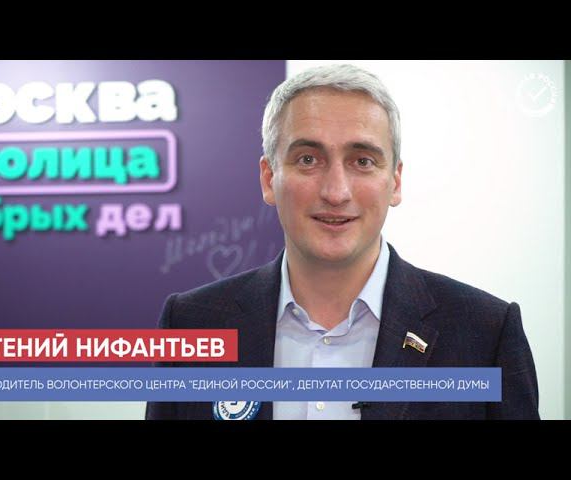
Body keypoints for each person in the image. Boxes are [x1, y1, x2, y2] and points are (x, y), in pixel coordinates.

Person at [145, 64, 539, 420]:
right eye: (308, 159)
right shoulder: (190, 324)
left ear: (395, 182)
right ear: (269, 179)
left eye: (362, 161)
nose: (336, 192)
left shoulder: (486, 332)